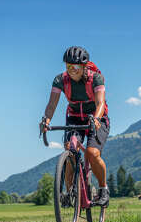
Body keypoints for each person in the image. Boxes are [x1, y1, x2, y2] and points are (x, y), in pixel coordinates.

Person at [40, 46, 110, 207]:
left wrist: (97, 118)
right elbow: (52, 104)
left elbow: (100, 103)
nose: (72, 70)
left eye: (76, 67)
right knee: (70, 150)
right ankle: (70, 191)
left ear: (84, 66)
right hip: (74, 118)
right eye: (68, 66)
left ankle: (103, 189)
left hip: (97, 117)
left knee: (92, 153)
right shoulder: (60, 80)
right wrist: (47, 120)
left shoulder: (96, 78)